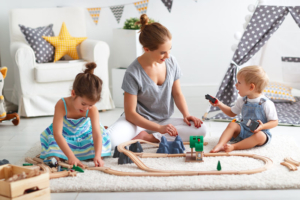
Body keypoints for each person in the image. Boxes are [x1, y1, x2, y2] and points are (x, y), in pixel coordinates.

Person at [107, 14, 207, 148]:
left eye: (169, 50)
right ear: (146, 49)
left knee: (201, 129)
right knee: (111, 142)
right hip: (136, 123)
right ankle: (125, 131)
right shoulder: (133, 72)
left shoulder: (171, 62)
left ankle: (148, 138)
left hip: (163, 120)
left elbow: (177, 94)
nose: (168, 56)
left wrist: (186, 114)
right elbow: (130, 114)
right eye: (162, 53)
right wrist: (159, 128)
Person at [40, 62, 111, 167]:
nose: (86, 108)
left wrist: (97, 156)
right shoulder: (61, 105)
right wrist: (70, 156)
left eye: (90, 105)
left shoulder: (93, 110)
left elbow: (96, 134)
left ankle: (85, 154)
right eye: (83, 104)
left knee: (99, 147)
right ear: (73, 94)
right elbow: (57, 134)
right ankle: (64, 155)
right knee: (53, 148)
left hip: (84, 134)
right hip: (64, 135)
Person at [210, 65, 278, 153]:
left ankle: (234, 146)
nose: (236, 85)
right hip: (243, 131)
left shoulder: (267, 103)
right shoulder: (242, 100)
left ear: (251, 87)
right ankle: (220, 144)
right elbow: (232, 113)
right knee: (232, 124)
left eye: (239, 83)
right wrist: (219, 104)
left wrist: (262, 126)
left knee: (260, 136)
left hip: (258, 134)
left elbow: (274, 122)